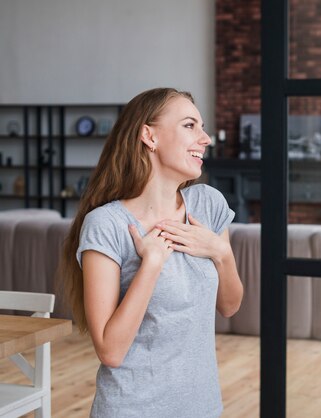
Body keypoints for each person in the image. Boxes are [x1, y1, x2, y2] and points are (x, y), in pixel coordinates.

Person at [58, 87, 243, 417]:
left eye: (202, 127)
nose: (206, 138)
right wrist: (151, 265)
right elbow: (111, 351)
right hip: (133, 409)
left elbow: (229, 306)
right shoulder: (107, 224)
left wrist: (220, 252)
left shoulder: (208, 204)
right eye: (190, 125)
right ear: (149, 136)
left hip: (202, 407)